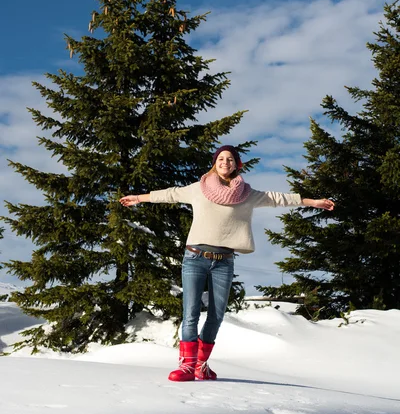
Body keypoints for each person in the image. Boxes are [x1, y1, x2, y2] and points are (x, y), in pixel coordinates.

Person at [119, 145, 334, 382]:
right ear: (215, 162)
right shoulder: (198, 189)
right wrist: (139, 198)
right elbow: (170, 193)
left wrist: (312, 202)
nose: (225, 162)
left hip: (224, 261)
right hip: (194, 258)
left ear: (236, 165)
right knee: (190, 313)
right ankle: (187, 367)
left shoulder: (247, 194)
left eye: (230, 159)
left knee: (216, 315)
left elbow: (277, 198)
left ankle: (201, 365)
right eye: (221, 158)